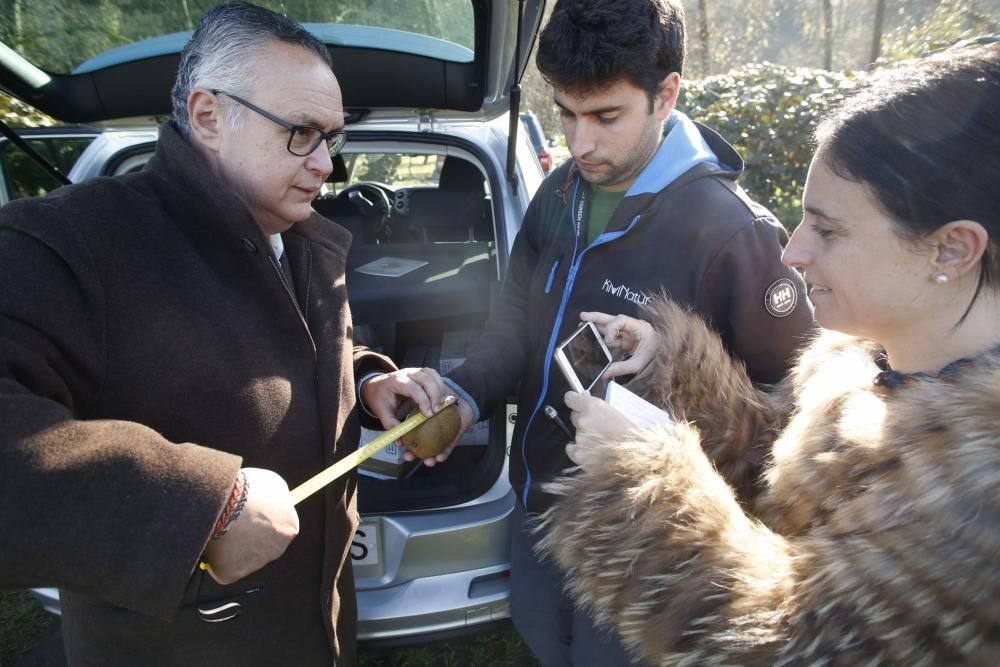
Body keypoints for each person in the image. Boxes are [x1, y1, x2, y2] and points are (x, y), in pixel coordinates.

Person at [362, 0, 814, 664]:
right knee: (547, 639)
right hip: (540, 507)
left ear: (666, 95)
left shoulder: (735, 233)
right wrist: (462, 395)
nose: (580, 145)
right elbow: (512, 326)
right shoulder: (559, 193)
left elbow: (791, 422)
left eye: (605, 117)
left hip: (651, 548)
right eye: (566, 114)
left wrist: (673, 406)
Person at [538, 43, 1000, 665]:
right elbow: (778, 470)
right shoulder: (859, 358)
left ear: (951, 249)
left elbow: (786, 644)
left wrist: (638, 480)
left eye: (828, 230)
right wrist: (669, 370)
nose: (793, 250)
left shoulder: (982, 492)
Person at [0, 3, 422, 665]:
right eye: (302, 132)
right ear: (206, 115)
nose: (326, 165)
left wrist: (368, 379)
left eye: (332, 138)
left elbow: (303, 350)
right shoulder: (73, 240)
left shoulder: (301, 237)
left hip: (317, 633)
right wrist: (201, 506)